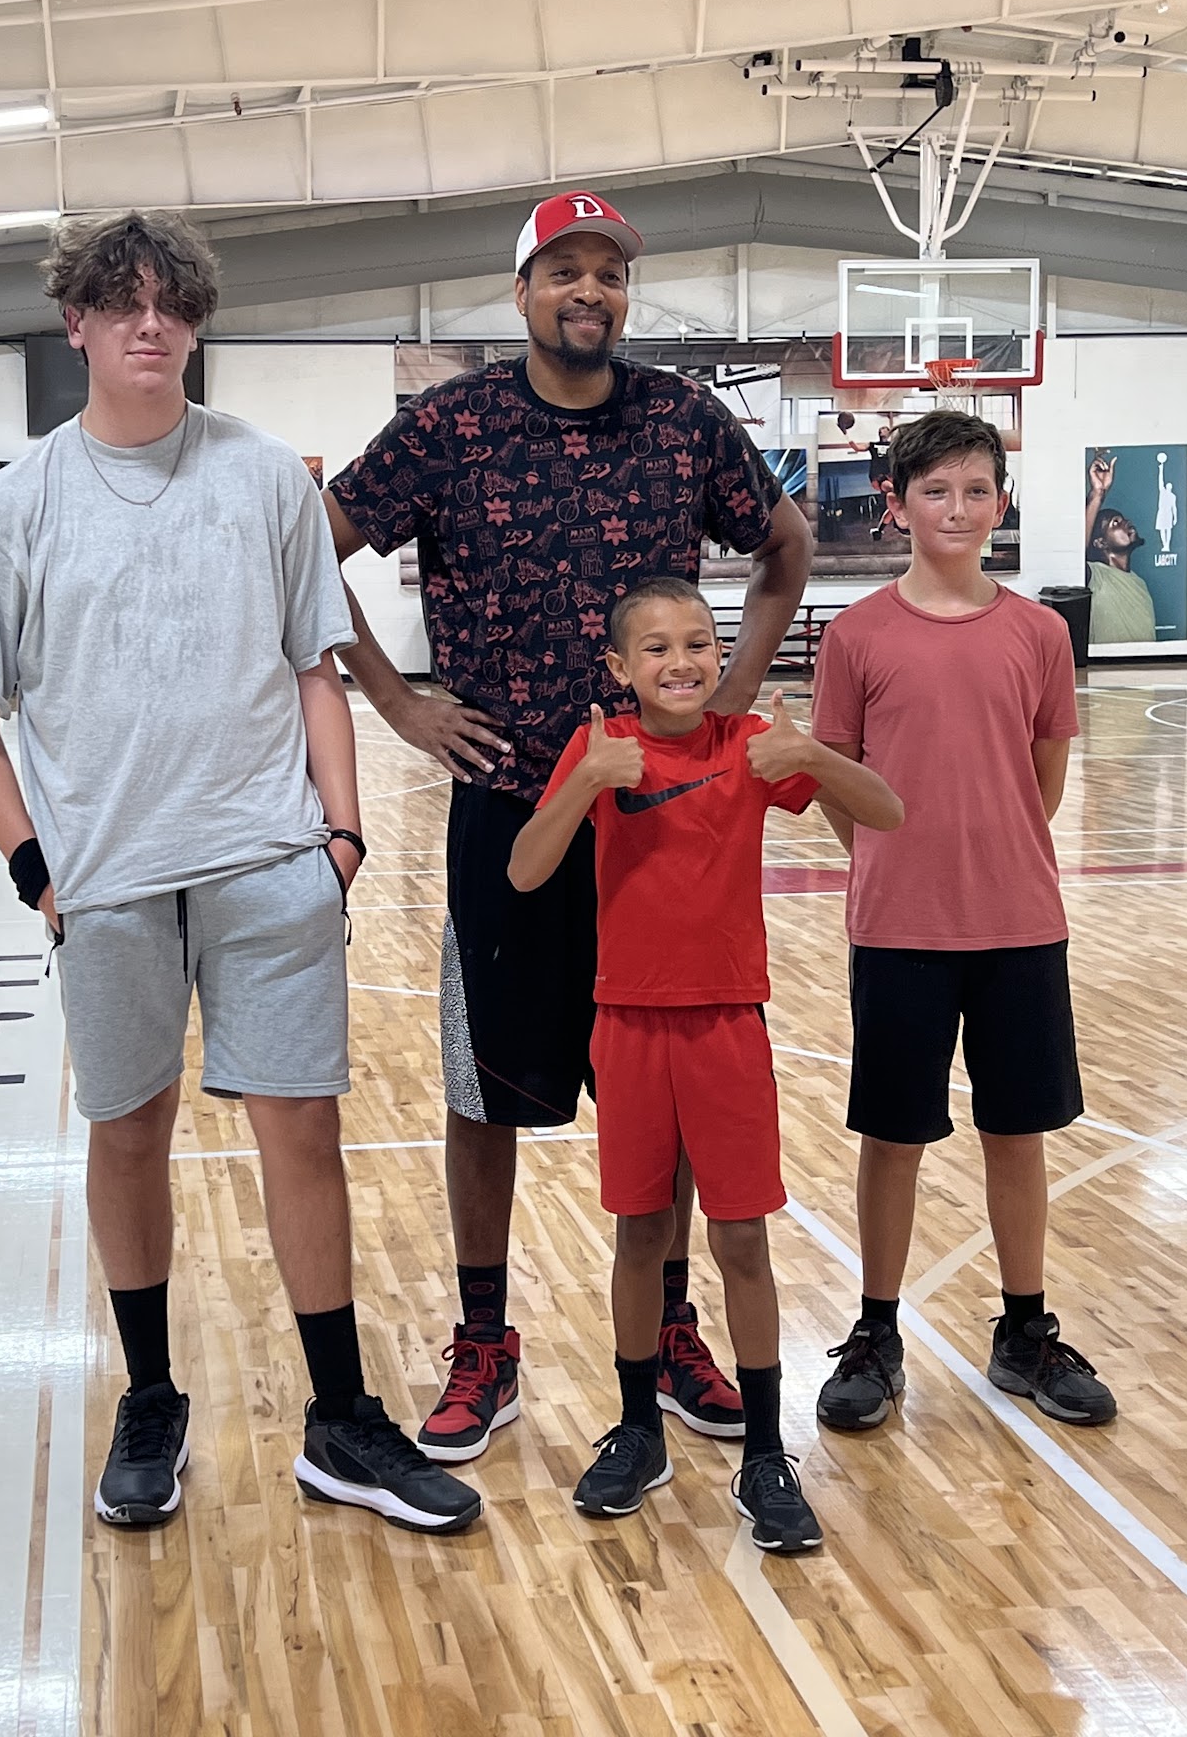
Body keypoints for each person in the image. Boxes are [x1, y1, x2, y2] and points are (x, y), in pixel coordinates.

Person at [0, 211, 480, 1536]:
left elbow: (316, 667)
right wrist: (37, 871)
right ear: (75, 324)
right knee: (129, 1134)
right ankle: (151, 1397)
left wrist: (341, 838)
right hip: (109, 885)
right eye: (122, 304)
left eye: (172, 305)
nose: (150, 325)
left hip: (270, 866)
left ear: (195, 324)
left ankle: (341, 1418)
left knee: (303, 1133)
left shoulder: (266, 478)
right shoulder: (20, 504)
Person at [323, 190, 813, 1462]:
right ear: (523, 292)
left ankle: (670, 1324)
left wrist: (733, 693)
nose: (589, 290)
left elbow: (785, 546)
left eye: (609, 272)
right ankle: (485, 1339)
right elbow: (308, 545)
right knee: (484, 1087)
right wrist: (398, 701)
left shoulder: (683, 420)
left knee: (671, 1083)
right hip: (511, 801)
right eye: (564, 270)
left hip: (659, 821)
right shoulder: (450, 425)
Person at [507, 579, 902, 1549]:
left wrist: (812, 755)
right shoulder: (604, 749)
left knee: (742, 1243)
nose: (680, 662)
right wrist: (587, 782)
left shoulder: (748, 745)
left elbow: (888, 813)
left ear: (719, 654)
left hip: (728, 1025)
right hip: (627, 1026)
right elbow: (524, 868)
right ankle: (638, 1428)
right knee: (641, 1235)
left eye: (698, 643)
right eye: (656, 648)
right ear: (618, 667)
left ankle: (766, 1451)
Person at [811, 410, 1117, 1433]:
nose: (956, 508)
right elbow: (839, 781)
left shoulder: (1039, 634)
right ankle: (876, 1333)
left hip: (1019, 925)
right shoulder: (856, 636)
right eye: (934, 490)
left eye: (975, 490)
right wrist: (897, 864)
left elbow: (1044, 780)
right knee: (892, 1136)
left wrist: (991, 856)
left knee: (1016, 1132)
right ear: (896, 506)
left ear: (1001, 503)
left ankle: (1025, 1329)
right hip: (898, 929)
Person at [1085, 451, 1155, 645]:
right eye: (1115, 523)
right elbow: (1074, 552)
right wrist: (1098, 494)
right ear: (1100, 543)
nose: (1126, 522)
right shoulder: (1094, 575)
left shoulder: (1139, 583)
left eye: (1123, 519)